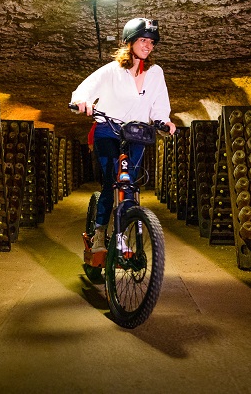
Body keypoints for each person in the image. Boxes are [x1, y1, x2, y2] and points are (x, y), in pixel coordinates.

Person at [70, 17, 176, 252]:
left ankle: (123, 234)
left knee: (129, 184)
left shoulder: (156, 72)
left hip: (137, 132)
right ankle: (99, 232)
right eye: (142, 40)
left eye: (151, 42)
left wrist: (163, 120)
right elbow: (85, 90)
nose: (148, 45)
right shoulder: (112, 70)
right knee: (112, 181)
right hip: (108, 129)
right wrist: (81, 102)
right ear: (130, 42)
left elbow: (160, 101)